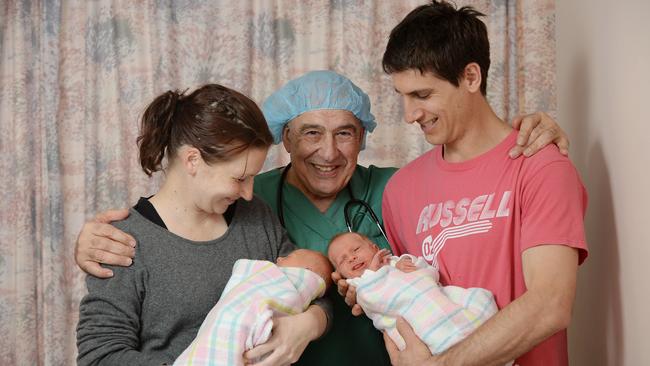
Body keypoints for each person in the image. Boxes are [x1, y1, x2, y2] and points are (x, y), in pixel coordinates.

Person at [74, 71, 570, 365]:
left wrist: (533, 130)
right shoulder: (257, 199)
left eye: (346, 133)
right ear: (283, 140)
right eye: (310, 133)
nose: (328, 152)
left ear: (365, 136)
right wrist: (93, 240)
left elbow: (467, 170)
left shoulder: (399, 187)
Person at [374, 2, 588, 365]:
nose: (410, 115)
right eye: (404, 97)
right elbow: (403, 299)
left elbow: (550, 304)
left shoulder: (541, 168)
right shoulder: (400, 190)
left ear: (471, 77)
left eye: (422, 95)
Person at [76, 85, 330, 366]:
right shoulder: (123, 241)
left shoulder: (255, 217)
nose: (248, 193)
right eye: (239, 178)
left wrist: (312, 323)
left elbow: (309, 284)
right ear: (193, 160)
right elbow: (99, 356)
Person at [328, 232, 497, 355]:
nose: (351, 258)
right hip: (416, 323)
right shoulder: (360, 285)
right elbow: (373, 300)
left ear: (375, 248)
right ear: (340, 274)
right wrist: (374, 273)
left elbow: (428, 272)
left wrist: (406, 262)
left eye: (356, 249)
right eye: (342, 260)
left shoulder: (395, 261)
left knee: (478, 300)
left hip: (438, 300)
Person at [174, 249, 333, 366]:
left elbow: (322, 300)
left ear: (306, 273)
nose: (278, 258)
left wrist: (312, 321)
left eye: (288, 256)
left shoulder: (263, 221)